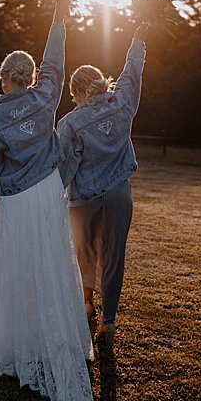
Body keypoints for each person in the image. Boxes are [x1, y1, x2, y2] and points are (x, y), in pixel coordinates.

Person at [0, 0, 100, 401]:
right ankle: (52, 339)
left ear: (3, 77)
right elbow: (55, 63)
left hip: (13, 197)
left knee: (17, 268)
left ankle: (17, 345)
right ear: (30, 78)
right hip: (48, 191)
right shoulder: (47, 94)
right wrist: (57, 20)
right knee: (51, 262)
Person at [57, 23, 148, 345]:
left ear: (77, 91)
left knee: (84, 253)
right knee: (114, 255)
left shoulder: (70, 122)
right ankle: (108, 321)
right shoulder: (122, 102)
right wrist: (138, 37)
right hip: (119, 193)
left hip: (84, 199)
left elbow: (66, 167)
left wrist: (53, 197)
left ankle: (86, 304)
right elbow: (131, 71)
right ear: (100, 83)